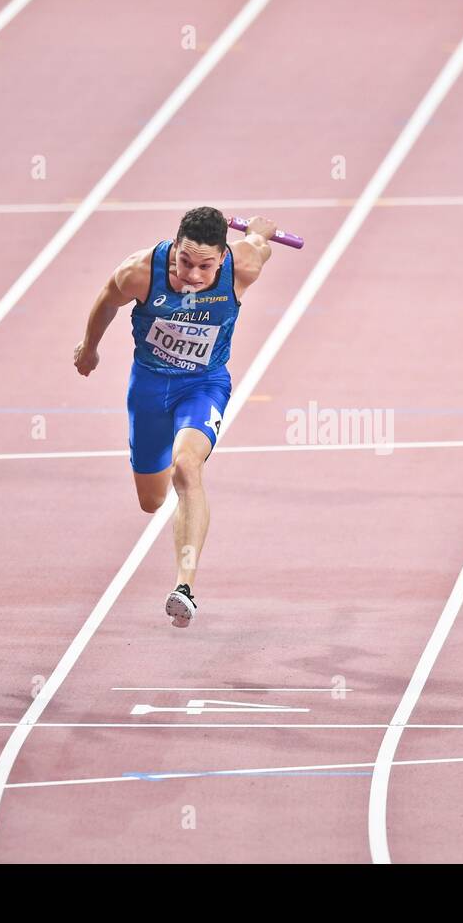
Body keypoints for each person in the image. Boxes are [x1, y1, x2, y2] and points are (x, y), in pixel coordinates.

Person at [74, 207, 276, 628]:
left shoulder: (243, 269)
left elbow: (258, 245)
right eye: (185, 262)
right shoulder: (141, 271)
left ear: (223, 257)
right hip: (148, 389)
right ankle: (163, 467)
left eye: (205, 266)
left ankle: (184, 587)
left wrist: (260, 234)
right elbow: (106, 301)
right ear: (175, 249)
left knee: (187, 469)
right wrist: (89, 346)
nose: (193, 276)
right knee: (151, 501)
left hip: (202, 387)